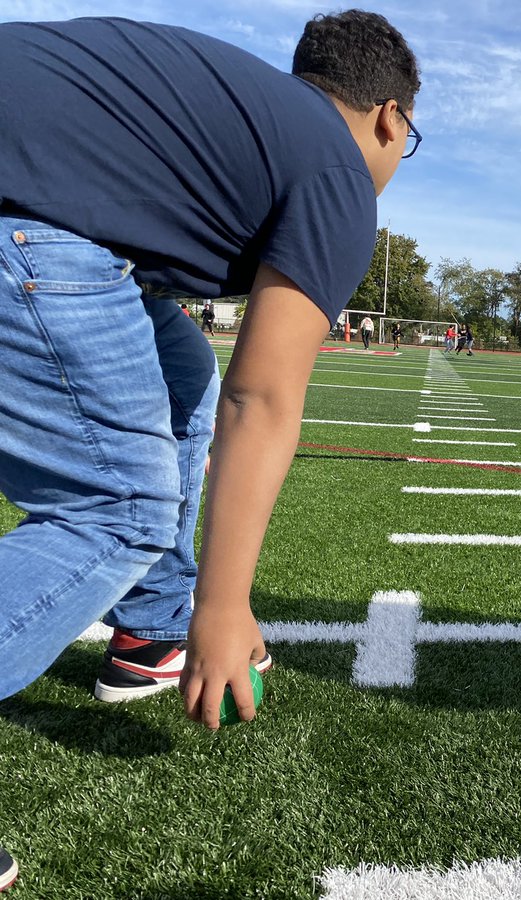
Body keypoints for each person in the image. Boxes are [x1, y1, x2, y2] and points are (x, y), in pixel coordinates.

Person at [0, 12, 419, 722]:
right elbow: (260, 397)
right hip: (21, 217)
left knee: (182, 374)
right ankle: (176, 614)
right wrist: (225, 606)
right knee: (121, 508)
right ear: (391, 119)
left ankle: (153, 629)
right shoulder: (337, 174)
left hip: (36, 198)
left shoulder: (252, 116)